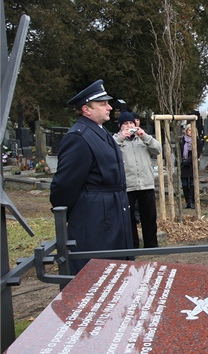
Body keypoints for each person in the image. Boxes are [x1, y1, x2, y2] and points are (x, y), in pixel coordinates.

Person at [50, 79, 134, 274]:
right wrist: (82, 214)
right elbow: (64, 187)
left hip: (113, 214)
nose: (109, 107)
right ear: (86, 110)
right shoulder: (78, 137)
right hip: (96, 219)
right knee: (96, 276)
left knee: (117, 272)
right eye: (103, 104)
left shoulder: (101, 132)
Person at [113, 111, 162, 248]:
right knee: (129, 219)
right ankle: (132, 246)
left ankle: (151, 246)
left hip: (146, 185)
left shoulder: (143, 139)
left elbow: (158, 149)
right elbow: (108, 152)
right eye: (125, 124)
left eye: (131, 123)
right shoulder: (116, 139)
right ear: (120, 126)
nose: (129, 126)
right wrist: (121, 138)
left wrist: (145, 136)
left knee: (149, 218)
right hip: (127, 186)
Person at [180, 123, 204, 209]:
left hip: (193, 165)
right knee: (185, 183)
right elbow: (179, 151)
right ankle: (187, 201)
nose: (191, 132)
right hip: (183, 165)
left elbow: (197, 153)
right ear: (186, 131)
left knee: (192, 183)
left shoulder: (198, 141)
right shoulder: (182, 140)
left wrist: (189, 160)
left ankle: (192, 201)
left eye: (192, 130)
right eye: (189, 130)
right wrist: (182, 161)